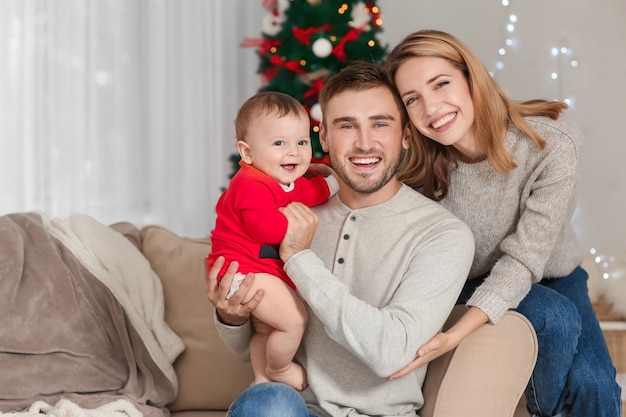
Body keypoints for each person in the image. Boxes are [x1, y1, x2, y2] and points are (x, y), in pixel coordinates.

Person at [204, 62, 475, 417]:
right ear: (324, 139)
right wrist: (231, 317)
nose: (364, 142)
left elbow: (391, 353)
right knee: (266, 403)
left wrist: (299, 259)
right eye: (347, 125)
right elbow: (251, 343)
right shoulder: (288, 211)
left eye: (380, 123)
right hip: (297, 408)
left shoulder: (442, 234)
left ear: (406, 136)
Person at [384, 29, 622, 417]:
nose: (431, 108)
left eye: (440, 83)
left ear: (470, 77)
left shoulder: (553, 146)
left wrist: (453, 337)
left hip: (551, 274)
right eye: (413, 99)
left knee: (596, 385)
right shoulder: (416, 165)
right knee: (553, 317)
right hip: (463, 282)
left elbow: (524, 262)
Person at [207, 91, 339, 391]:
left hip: (254, 270)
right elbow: (266, 229)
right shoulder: (249, 185)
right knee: (294, 319)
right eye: (279, 143)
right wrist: (298, 231)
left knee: (266, 329)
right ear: (248, 152)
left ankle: (264, 381)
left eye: (302, 142)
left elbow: (306, 192)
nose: (293, 152)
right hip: (242, 273)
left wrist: (332, 184)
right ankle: (279, 369)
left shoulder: (278, 181)